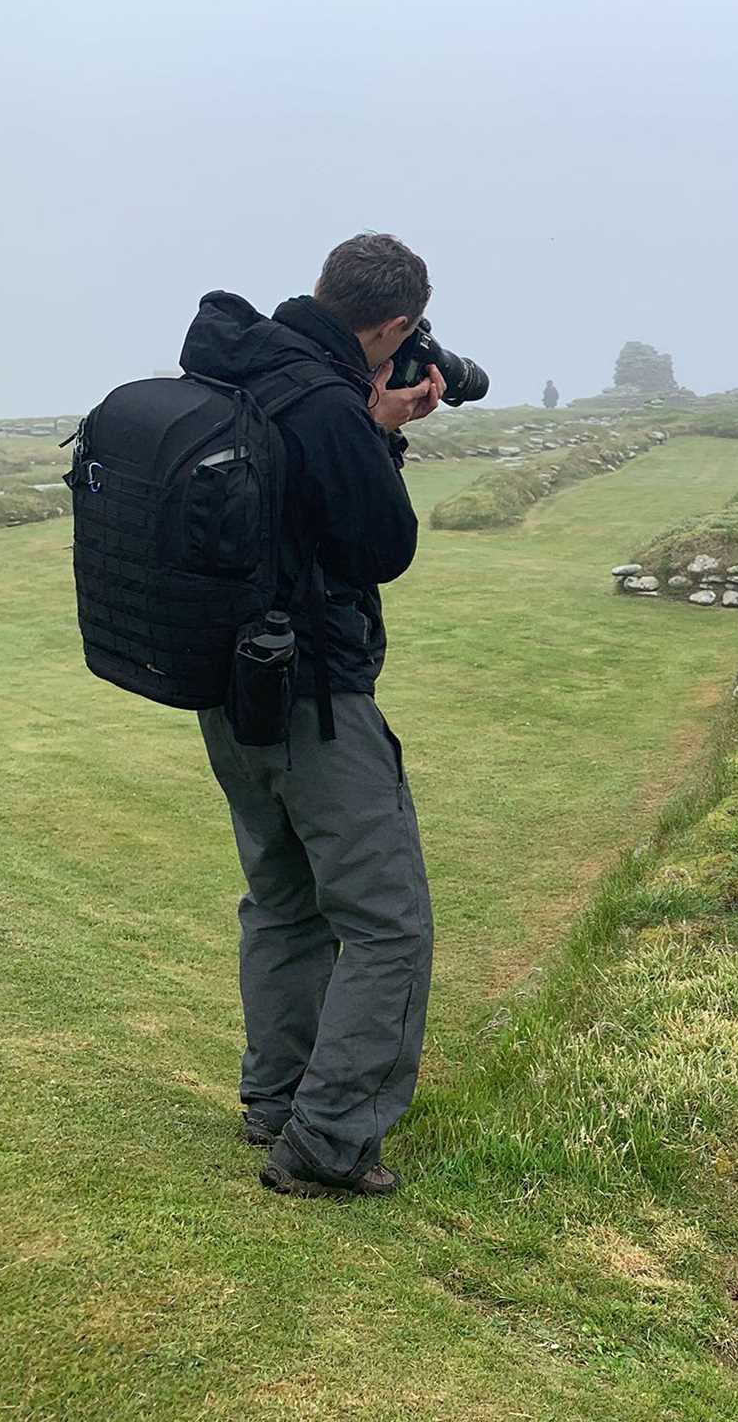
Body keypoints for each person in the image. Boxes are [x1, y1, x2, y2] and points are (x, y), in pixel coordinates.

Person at [177, 232, 441, 1200]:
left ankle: (277, 1096)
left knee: (283, 900)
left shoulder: (239, 359)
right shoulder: (326, 400)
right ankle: (328, 1143)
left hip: (225, 688)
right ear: (395, 325)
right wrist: (377, 429)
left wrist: (364, 419)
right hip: (314, 697)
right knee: (387, 924)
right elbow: (381, 544)